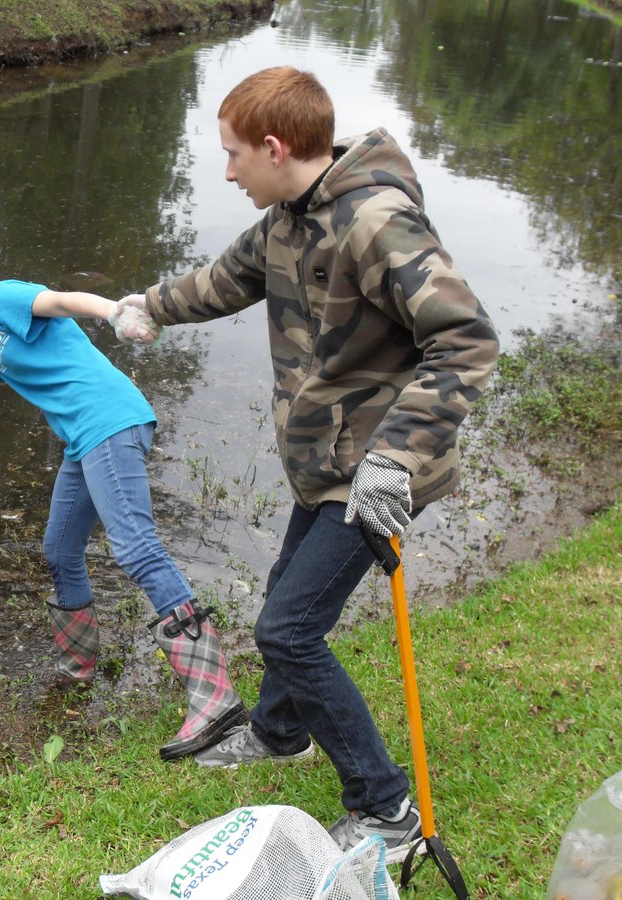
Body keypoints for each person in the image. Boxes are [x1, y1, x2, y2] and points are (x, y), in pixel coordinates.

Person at [114, 67, 499, 858]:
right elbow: (224, 280)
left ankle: (387, 808)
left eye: (232, 156)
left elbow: (466, 340)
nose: (226, 173)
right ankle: (280, 732)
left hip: (378, 474)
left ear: (274, 146)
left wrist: (392, 461)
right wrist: (148, 307)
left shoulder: (378, 224)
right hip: (324, 460)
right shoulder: (288, 218)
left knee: (288, 630)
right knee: (288, 598)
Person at [0, 245, 247, 761]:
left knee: (135, 548)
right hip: (83, 441)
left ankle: (215, 696)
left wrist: (115, 312)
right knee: (60, 550)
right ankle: (77, 666)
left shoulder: (2, 298)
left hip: (109, 421)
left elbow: (62, 300)